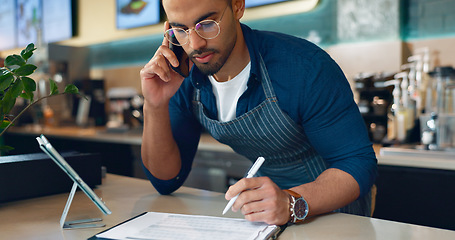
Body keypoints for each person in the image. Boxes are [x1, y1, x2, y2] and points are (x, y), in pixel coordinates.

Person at [140, 0, 377, 226]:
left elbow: (357, 163)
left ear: (237, 6)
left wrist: (290, 201)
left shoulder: (304, 67)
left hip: (333, 212)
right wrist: (154, 104)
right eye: (180, 30)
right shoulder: (183, 77)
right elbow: (166, 180)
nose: (195, 44)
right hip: (266, 216)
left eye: (208, 24)